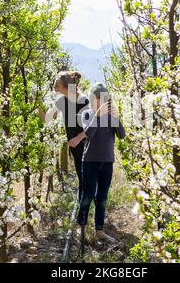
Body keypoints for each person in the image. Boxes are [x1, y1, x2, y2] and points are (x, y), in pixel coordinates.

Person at [69, 82, 126, 244]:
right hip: (89, 162)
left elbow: (122, 135)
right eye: (99, 98)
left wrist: (117, 118)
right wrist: (98, 114)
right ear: (93, 99)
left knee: (102, 198)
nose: (102, 101)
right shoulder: (87, 114)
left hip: (107, 162)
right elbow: (90, 134)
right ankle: (81, 226)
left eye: (105, 98)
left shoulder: (111, 116)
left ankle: (99, 230)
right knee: (87, 195)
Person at [39, 71, 90, 202]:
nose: (55, 87)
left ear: (66, 86)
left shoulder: (84, 101)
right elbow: (47, 119)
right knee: (82, 178)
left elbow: (93, 127)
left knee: (86, 179)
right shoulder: (61, 100)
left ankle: (84, 214)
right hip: (75, 147)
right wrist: (36, 105)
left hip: (88, 144)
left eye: (58, 84)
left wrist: (78, 137)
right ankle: (84, 213)